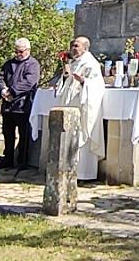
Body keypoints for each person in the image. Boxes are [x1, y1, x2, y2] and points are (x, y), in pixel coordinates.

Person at [55, 36, 104, 181]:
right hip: (72, 105)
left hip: (83, 107)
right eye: (73, 46)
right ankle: (68, 170)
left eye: (76, 46)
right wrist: (65, 76)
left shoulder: (91, 63)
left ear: (85, 48)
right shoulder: (74, 62)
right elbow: (67, 82)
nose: (73, 49)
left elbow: (97, 86)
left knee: (82, 135)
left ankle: (84, 174)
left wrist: (83, 81)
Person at [0, 38, 39, 171]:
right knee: (7, 133)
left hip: (23, 105)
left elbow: (29, 82)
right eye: (16, 51)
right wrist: (3, 90)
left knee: (23, 134)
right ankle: (7, 159)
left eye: (20, 51)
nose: (18, 54)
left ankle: (22, 160)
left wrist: (12, 92)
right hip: (8, 105)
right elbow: (0, 77)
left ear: (27, 50)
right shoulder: (9, 63)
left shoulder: (33, 64)